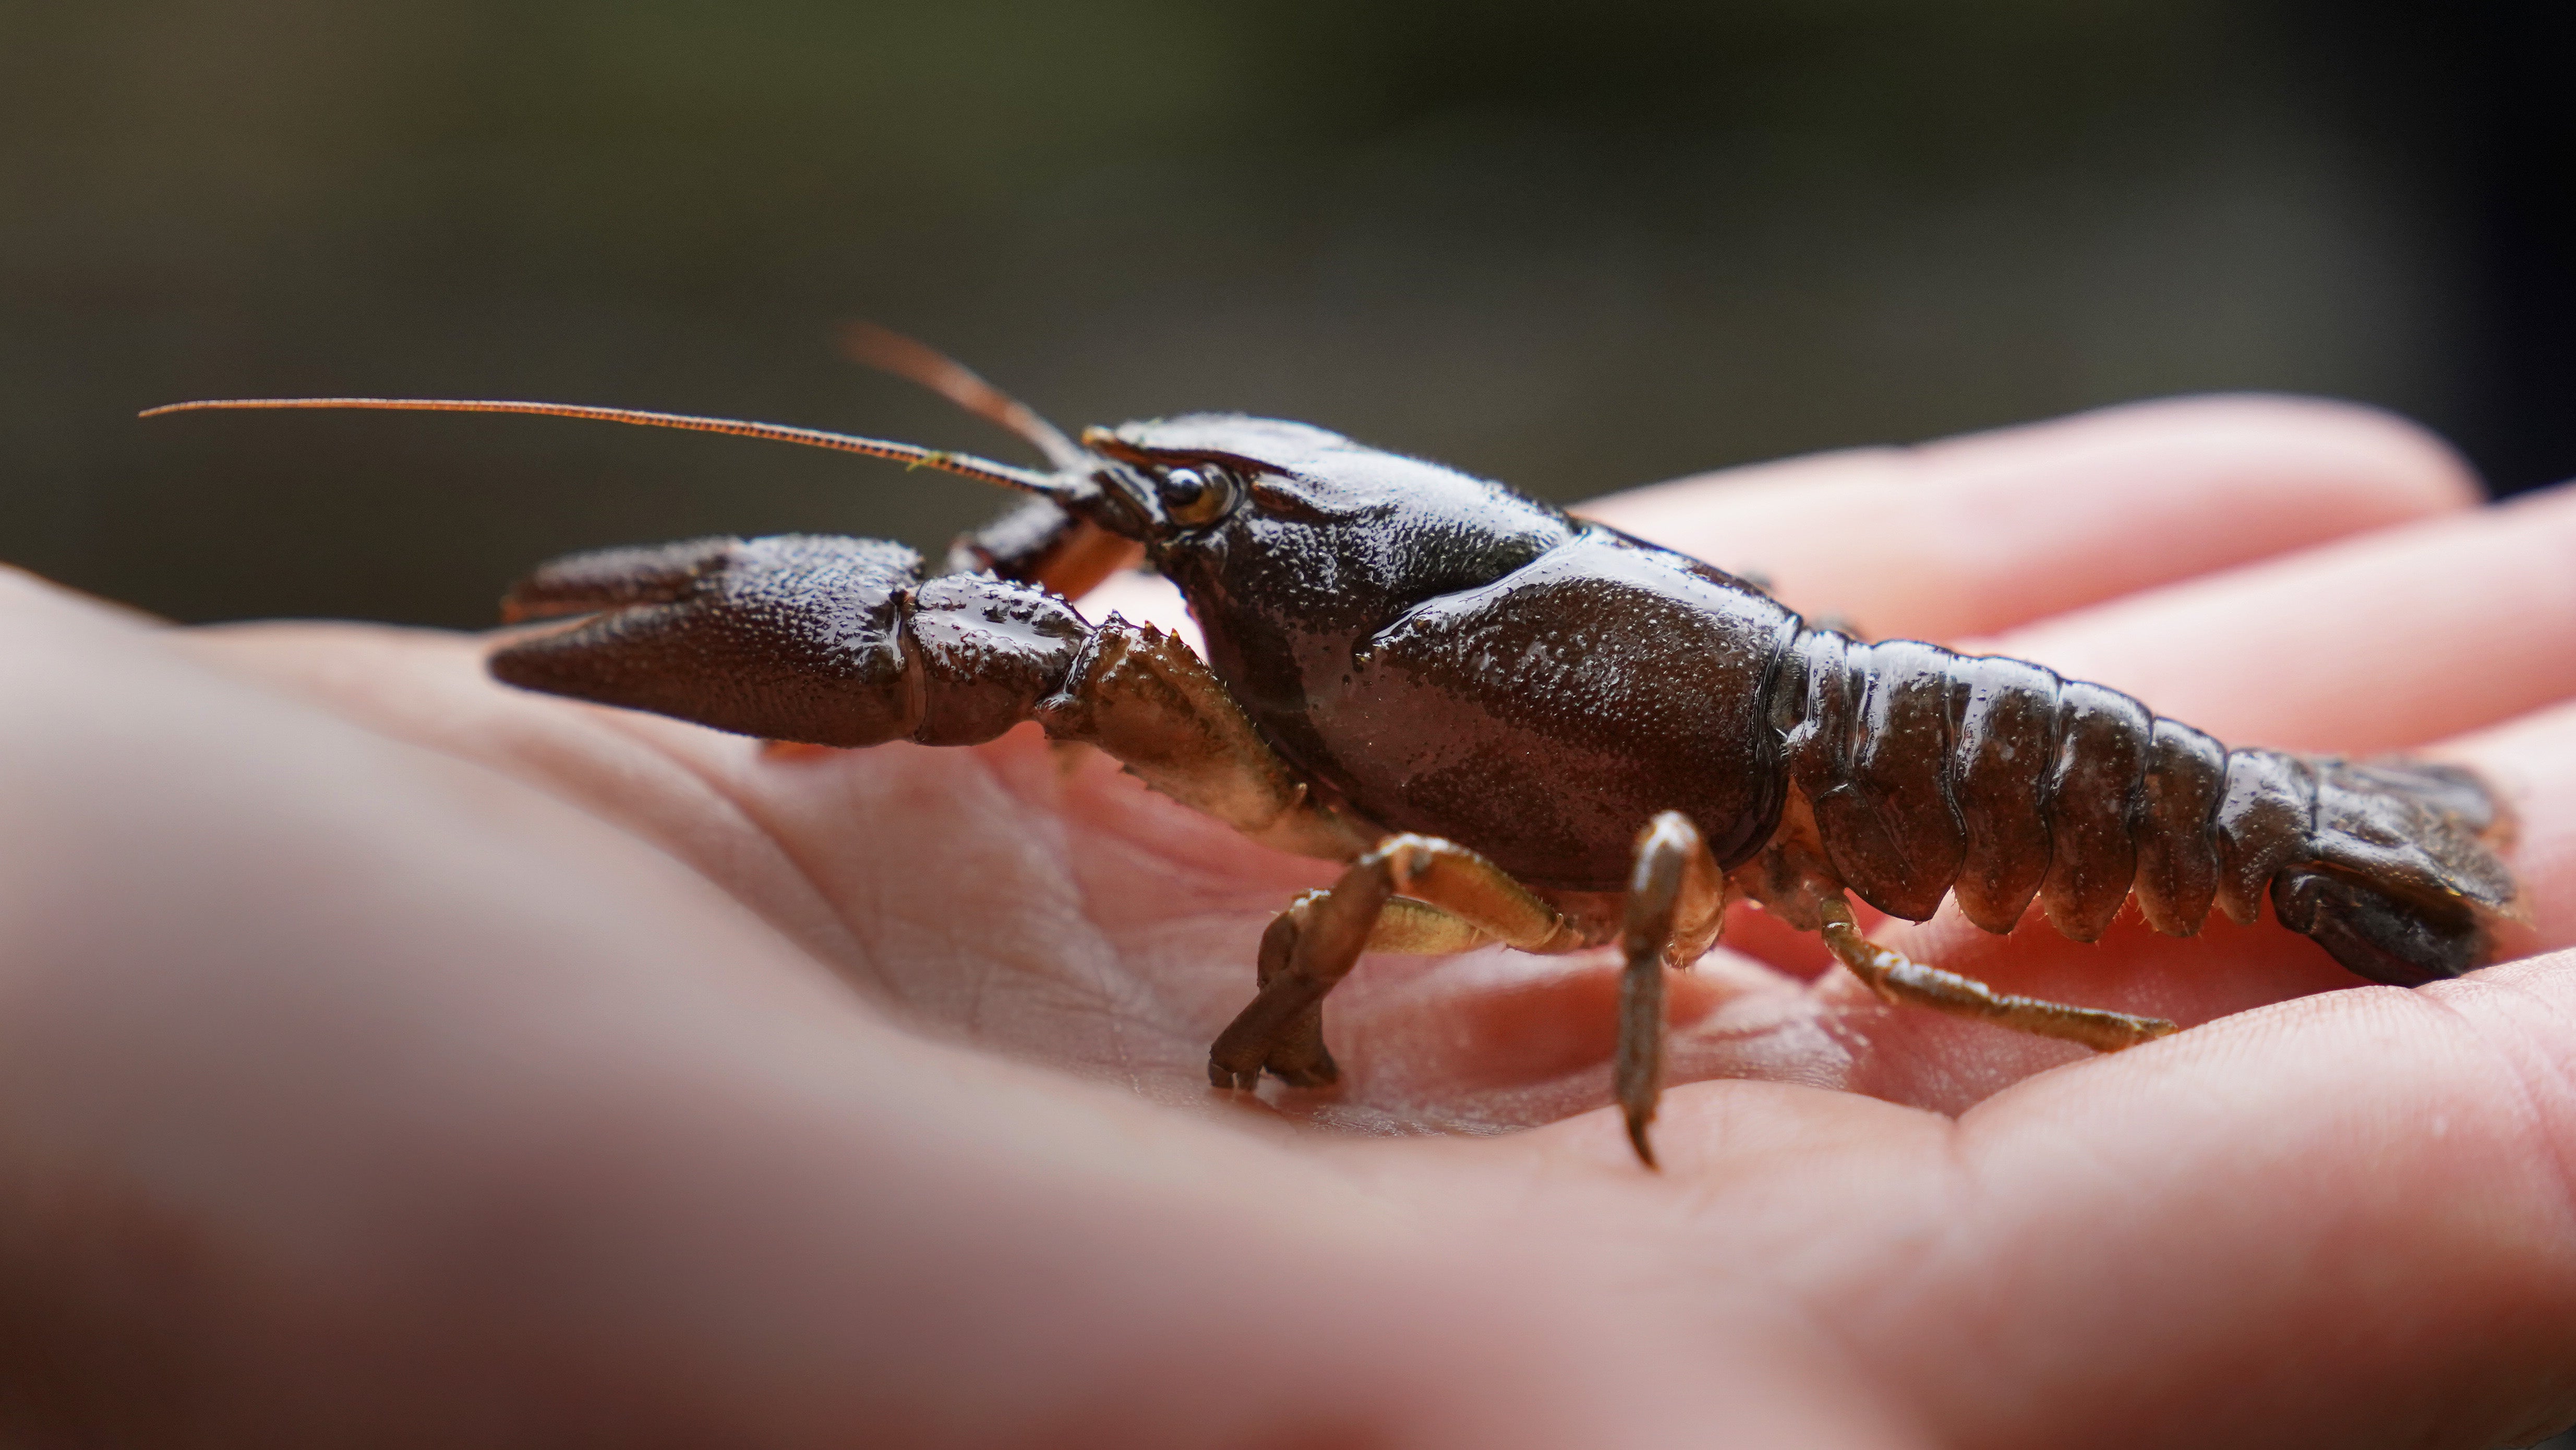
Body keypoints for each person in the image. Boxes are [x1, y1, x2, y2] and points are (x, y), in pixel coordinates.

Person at [1, 396, 2569, 1448]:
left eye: (1171, 526)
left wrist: (1301, 1004)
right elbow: (1074, 553)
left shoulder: (1489, 756)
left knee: (1374, 865)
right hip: (1847, 739)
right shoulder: (1316, 593)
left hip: (1997, 795)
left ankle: (2330, 861)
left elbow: (1528, 865)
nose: (1104, 550)